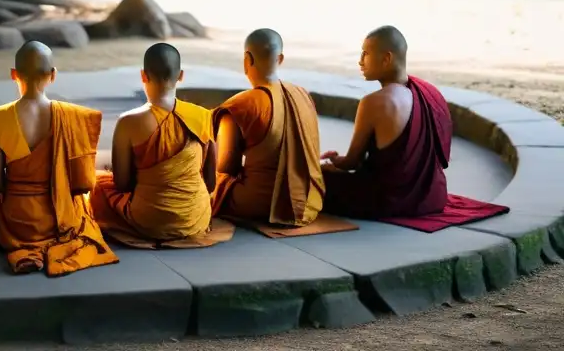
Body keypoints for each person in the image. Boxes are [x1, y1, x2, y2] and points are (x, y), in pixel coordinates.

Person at [0, 41, 118, 275]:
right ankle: (52, 249)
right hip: (58, 217)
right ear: (53, 75)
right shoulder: (73, 117)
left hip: (17, 223)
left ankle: (25, 251)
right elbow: (83, 183)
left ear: (14, 75)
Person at [90, 43, 229, 248]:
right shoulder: (202, 116)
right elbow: (209, 182)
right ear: (181, 75)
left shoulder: (128, 122)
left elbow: (122, 185)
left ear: (143, 76)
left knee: (98, 186)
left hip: (148, 220)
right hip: (194, 218)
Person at [322, 25, 451, 219]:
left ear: (386, 58)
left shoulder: (373, 102)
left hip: (387, 201)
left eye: (365, 54)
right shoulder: (430, 92)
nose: (360, 61)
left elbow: (351, 162)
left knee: (308, 178)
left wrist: (332, 161)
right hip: (433, 197)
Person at [212, 28, 325, 227]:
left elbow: (226, 168)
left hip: (262, 204)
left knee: (201, 185)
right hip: (311, 200)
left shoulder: (242, 104)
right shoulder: (302, 95)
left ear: (247, 60)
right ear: (280, 59)